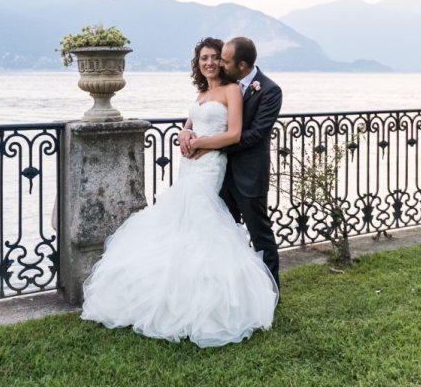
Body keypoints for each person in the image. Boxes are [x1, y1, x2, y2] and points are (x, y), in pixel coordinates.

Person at [80, 37, 278, 348]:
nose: (211, 62)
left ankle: (236, 297)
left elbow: (236, 133)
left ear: (229, 64)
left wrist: (198, 143)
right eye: (205, 58)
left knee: (208, 225)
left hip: (211, 166)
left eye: (216, 57)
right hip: (190, 168)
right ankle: (174, 292)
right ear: (197, 63)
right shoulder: (202, 94)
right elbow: (191, 122)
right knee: (181, 225)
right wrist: (185, 132)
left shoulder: (231, 91)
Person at [186, 36, 283, 286]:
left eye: (224, 60)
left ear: (241, 65)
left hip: (249, 174)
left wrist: (211, 146)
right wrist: (186, 132)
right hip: (218, 174)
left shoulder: (270, 90)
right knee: (225, 233)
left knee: (260, 235)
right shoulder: (220, 87)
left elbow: (255, 134)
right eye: (212, 59)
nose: (219, 64)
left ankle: (271, 291)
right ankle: (232, 287)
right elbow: (200, 119)